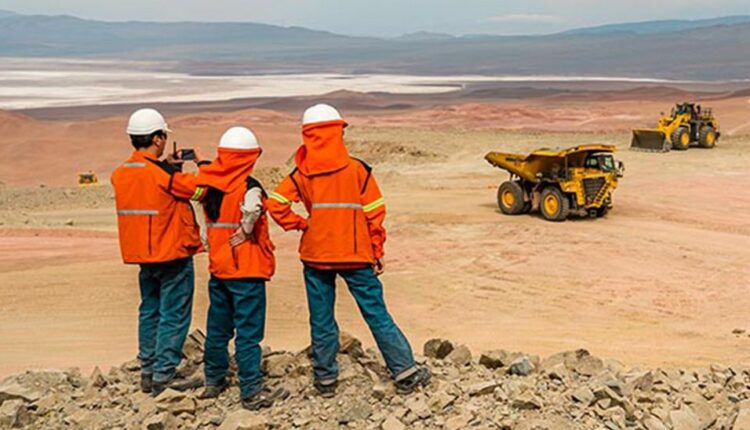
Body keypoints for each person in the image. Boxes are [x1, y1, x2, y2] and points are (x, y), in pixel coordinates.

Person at [267, 104, 431, 398]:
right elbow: (374, 213)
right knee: (376, 313)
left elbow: (276, 204)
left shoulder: (301, 173)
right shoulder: (357, 170)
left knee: (321, 318)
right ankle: (405, 372)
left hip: (316, 256)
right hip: (355, 255)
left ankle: (326, 381)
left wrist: (303, 224)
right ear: (336, 132)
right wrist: (376, 249)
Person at [111, 108, 206, 396]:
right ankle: (165, 375)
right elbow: (199, 191)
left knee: (149, 311)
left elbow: (153, 194)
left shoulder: (121, 174)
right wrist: (202, 163)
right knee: (174, 315)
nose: (164, 141)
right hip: (172, 254)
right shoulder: (162, 176)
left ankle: (148, 372)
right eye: (163, 136)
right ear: (156, 138)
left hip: (143, 256)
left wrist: (168, 168)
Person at [195, 126, 288, 410]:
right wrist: (247, 229)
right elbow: (253, 209)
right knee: (248, 333)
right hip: (247, 271)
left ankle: (214, 380)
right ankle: (250, 391)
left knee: (218, 328)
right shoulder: (249, 187)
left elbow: (200, 213)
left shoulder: (210, 186)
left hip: (220, 269)